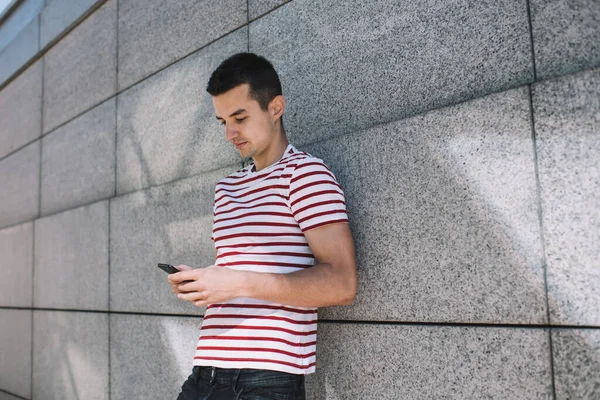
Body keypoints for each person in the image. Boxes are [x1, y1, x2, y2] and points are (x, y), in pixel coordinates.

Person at [169, 52, 357, 400]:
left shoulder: (305, 176)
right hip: (205, 371)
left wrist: (236, 282)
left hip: (266, 379)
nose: (230, 133)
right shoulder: (227, 189)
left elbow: (342, 284)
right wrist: (205, 283)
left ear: (275, 108)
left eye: (239, 117)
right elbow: (240, 274)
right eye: (222, 121)